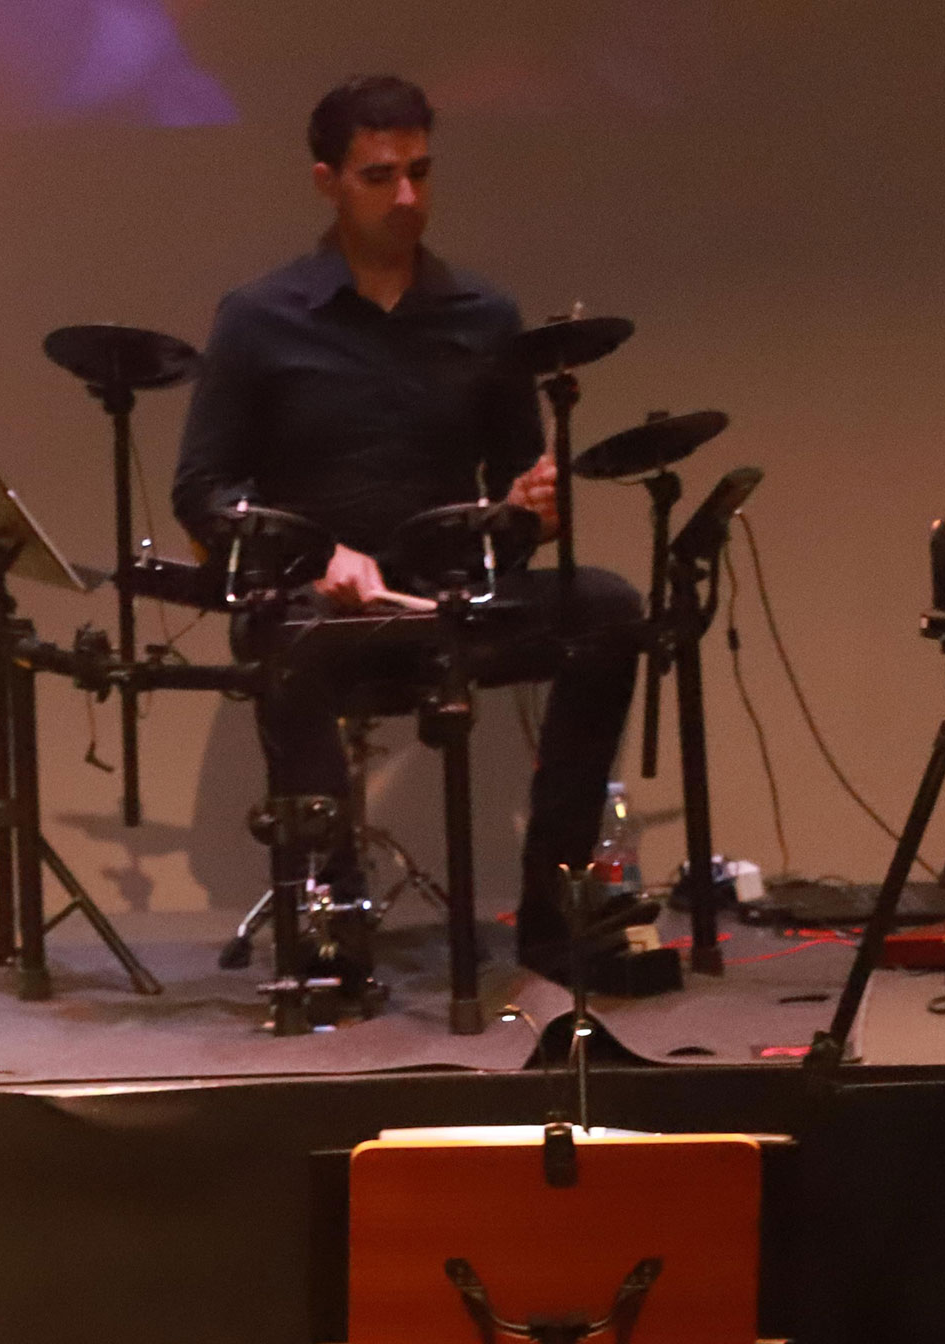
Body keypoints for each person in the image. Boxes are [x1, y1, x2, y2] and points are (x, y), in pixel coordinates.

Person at [170, 74, 666, 992]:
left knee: (608, 610)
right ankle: (333, 924)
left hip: (448, 602)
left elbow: (510, 510)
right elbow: (202, 489)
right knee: (285, 636)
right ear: (327, 182)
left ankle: (554, 910)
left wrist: (529, 510)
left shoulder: (484, 316)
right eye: (379, 177)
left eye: (420, 173)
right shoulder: (260, 317)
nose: (405, 197)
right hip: (321, 609)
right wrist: (318, 558)